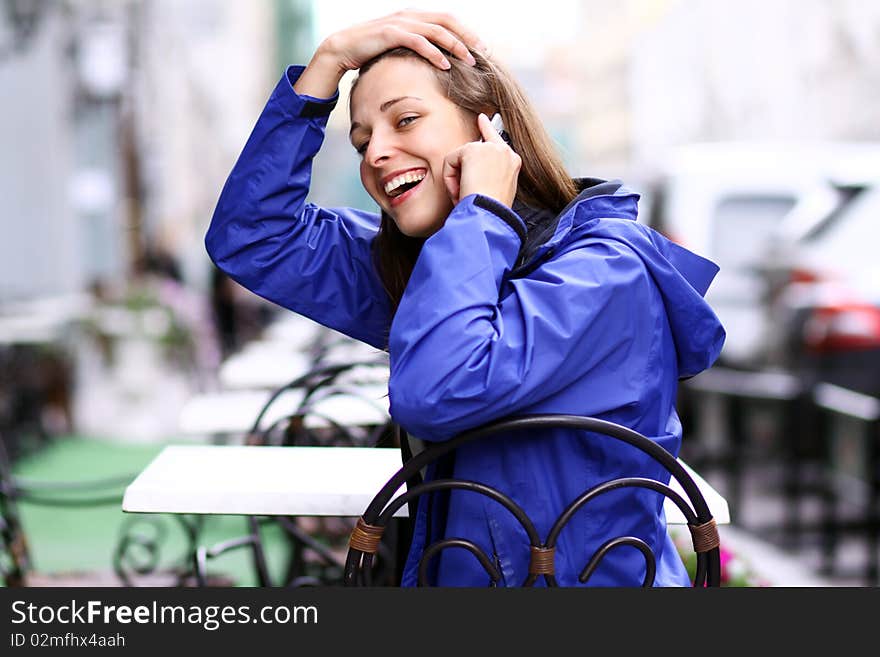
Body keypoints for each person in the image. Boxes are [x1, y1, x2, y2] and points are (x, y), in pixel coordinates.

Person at [205, 9, 726, 586]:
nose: (376, 153)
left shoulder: (603, 273)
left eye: (405, 120)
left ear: (490, 133)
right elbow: (254, 238)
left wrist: (482, 213)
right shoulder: (437, 265)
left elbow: (436, 392)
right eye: (362, 140)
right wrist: (327, 65)